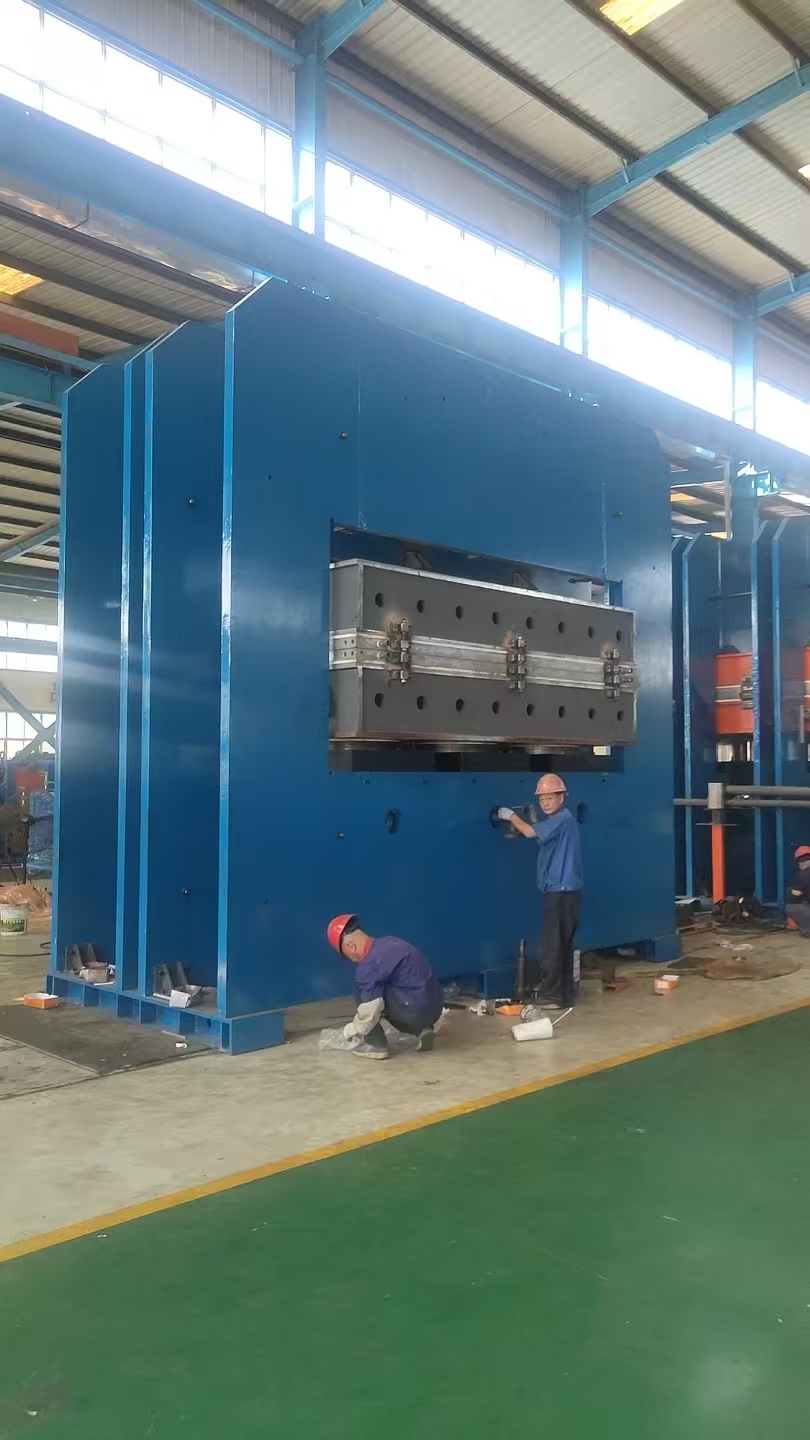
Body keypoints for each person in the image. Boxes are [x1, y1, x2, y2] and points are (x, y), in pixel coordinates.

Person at [498, 773, 583, 1009]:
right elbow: (541, 837)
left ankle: (552, 995)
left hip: (560, 892)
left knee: (552, 946)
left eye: (550, 798)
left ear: (561, 797)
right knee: (562, 945)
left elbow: (528, 832)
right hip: (567, 893)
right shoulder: (560, 822)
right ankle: (564, 993)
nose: (545, 802)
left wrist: (510, 816)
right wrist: (534, 820)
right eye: (542, 799)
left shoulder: (561, 820)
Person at [326, 914, 444, 1060]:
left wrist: (354, 1028)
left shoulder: (370, 965)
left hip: (415, 1011)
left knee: (362, 988)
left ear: (351, 946)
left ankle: (376, 1044)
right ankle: (423, 1028)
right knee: (397, 986)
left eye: (346, 955)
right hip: (436, 1007)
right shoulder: (390, 942)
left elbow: (370, 1011)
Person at [786, 845, 810, 936]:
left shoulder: (802, 875)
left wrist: (789, 891)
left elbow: (795, 897)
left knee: (792, 907)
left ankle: (808, 931)